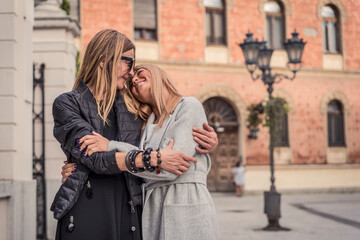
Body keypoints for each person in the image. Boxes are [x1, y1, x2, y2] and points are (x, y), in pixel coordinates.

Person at [52, 29, 218, 240]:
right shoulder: (67, 103)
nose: (131, 73)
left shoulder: (134, 106)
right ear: (104, 60)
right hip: (87, 204)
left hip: (130, 207)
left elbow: (169, 135)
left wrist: (206, 142)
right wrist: (153, 158)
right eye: (129, 63)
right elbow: (94, 157)